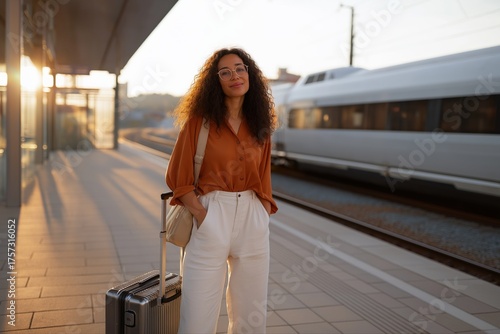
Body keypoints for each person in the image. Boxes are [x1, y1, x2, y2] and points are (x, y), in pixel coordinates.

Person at [166, 47, 278, 334]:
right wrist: (203, 215)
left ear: (249, 74)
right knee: (197, 314)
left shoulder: (259, 124)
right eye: (225, 72)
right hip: (211, 215)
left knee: (251, 315)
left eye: (240, 68)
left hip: (252, 217)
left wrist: (262, 212)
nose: (234, 76)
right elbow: (177, 178)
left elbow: (264, 175)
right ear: (216, 81)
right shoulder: (198, 123)